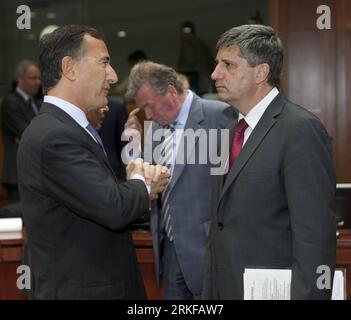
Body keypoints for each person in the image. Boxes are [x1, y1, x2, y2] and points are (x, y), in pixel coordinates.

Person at [17, 25, 170, 300]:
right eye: (104, 63)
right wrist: (142, 182)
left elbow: (97, 204)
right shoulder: (55, 135)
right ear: (70, 68)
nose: (112, 76)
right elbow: (113, 207)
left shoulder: (69, 128)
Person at [202, 24, 336, 300]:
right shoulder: (227, 134)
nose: (215, 74)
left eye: (228, 65)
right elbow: (219, 226)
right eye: (217, 65)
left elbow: (314, 236)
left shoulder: (300, 129)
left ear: (261, 72)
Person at [124, 61, 235, 299]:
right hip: (169, 250)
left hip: (209, 252)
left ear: (171, 92)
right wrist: (133, 145)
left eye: (150, 106)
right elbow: (147, 184)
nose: (149, 115)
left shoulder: (220, 117)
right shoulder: (154, 127)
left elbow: (235, 187)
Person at [1, 60, 41, 202]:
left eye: (39, 78)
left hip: (36, 173)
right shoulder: (10, 102)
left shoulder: (38, 103)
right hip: (17, 174)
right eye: (33, 78)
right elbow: (27, 132)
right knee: (18, 219)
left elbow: (39, 133)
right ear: (20, 79)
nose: (38, 82)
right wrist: (31, 135)